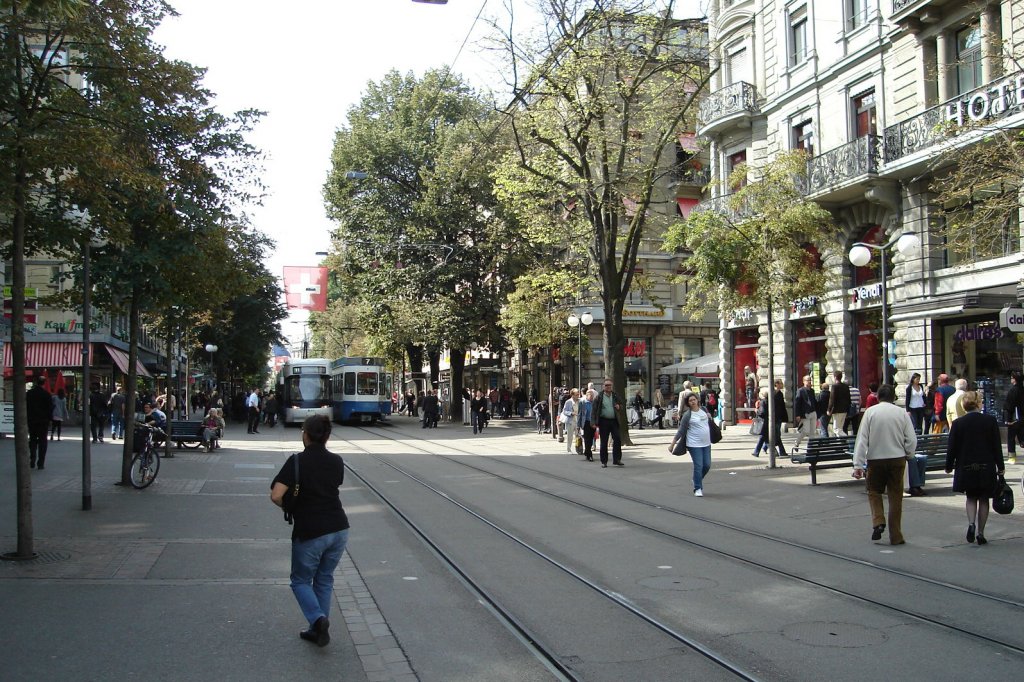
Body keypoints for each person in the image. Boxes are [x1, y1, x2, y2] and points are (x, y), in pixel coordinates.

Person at [270, 414, 349, 647]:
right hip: (339, 528)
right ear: (327, 436)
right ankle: (319, 630)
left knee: (300, 580)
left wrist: (291, 508)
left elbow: (276, 495)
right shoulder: (337, 461)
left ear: (305, 434)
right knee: (324, 579)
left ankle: (317, 619)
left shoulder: (297, 461)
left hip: (311, 530)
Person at [852, 384, 917, 545]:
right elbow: (911, 439)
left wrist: (858, 465)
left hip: (876, 459)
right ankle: (896, 535)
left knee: (874, 491)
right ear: (893, 397)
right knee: (895, 497)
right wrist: (909, 453)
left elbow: (862, 440)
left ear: (878, 397)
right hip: (897, 459)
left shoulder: (870, 412)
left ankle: (878, 521)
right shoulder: (901, 413)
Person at [945, 391, 1005, 545]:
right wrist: (1001, 466)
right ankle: (981, 533)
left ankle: (971, 523)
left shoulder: (958, 423)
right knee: (984, 499)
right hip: (986, 465)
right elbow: (996, 446)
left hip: (966, 465)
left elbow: (952, 446)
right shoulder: (990, 421)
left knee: (971, 497)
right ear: (979, 403)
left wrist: (948, 465)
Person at [669, 392, 713, 497]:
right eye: (690, 401)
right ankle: (698, 488)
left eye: (694, 399)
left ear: (697, 400)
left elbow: (709, 423)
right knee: (698, 465)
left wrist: (710, 417)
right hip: (694, 444)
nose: (693, 402)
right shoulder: (687, 415)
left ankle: (696, 479)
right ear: (688, 403)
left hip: (706, 443)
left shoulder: (704, 410)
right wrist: (672, 444)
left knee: (707, 465)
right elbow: (681, 431)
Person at [592, 378, 623, 467]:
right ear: (603, 386)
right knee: (604, 442)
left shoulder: (615, 395)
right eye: (606, 385)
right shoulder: (599, 396)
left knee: (617, 439)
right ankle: (604, 461)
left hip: (614, 421)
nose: (608, 387)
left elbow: (621, 405)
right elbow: (594, 410)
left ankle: (617, 459)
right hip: (603, 421)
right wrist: (593, 422)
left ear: (612, 386)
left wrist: (619, 406)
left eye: (610, 385)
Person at [27, 374, 51, 470]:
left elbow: (26, 407)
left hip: (32, 420)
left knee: (32, 440)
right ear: (44, 383)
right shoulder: (46, 395)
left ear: (36, 382)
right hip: (43, 421)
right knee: (42, 442)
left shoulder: (29, 394)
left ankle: (32, 458)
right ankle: (40, 463)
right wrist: (49, 420)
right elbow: (50, 409)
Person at [793, 375, 817, 452]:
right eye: (807, 380)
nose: (809, 381)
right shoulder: (800, 391)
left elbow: (814, 401)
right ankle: (797, 443)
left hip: (813, 412)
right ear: (803, 381)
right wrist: (798, 414)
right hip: (805, 413)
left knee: (812, 432)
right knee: (806, 430)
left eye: (810, 380)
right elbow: (797, 403)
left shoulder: (812, 391)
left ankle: (811, 448)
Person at [1004, 372, 1024, 462]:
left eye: (1012, 378)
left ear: (1015, 379)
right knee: (1021, 436)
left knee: (1011, 437)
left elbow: (1009, 406)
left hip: (1014, 418)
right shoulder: (1022, 389)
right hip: (1022, 417)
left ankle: (1012, 457)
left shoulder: (1013, 391)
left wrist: (1007, 419)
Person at [827, 370, 851, 437]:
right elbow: (849, 398)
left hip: (837, 410)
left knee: (836, 429)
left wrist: (829, 409)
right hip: (845, 409)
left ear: (835, 377)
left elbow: (832, 399)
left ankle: (846, 437)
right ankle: (841, 443)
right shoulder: (846, 386)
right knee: (840, 428)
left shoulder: (834, 386)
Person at [770, 379, 789, 457]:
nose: (782, 385)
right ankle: (781, 451)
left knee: (777, 434)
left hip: (779, 417)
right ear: (776, 384)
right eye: (781, 383)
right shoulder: (773, 393)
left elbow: (782, 407)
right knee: (777, 434)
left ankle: (766, 447)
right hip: (774, 417)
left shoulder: (780, 393)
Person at [751, 389, 770, 457]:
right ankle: (757, 451)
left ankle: (773, 452)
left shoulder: (763, 402)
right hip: (768, 421)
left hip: (763, 422)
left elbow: (762, 413)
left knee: (764, 438)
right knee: (763, 437)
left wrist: (757, 411)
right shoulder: (769, 401)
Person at [559, 388, 579, 453]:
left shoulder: (580, 401)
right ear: (572, 395)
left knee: (578, 436)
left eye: (578, 394)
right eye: (576, 394)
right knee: (570, 436)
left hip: (578, 421)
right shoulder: (568, 402)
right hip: (570, 421)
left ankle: (578, 449)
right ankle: (569, 449)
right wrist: (571, 413)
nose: (578, 396)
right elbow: (564, 411)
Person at [578, 389, 595, 461]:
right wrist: (578, 425)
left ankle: (587, 451)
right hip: (586, 422)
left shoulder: (594, 403)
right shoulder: (582, 402)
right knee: (587, 438)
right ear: (587, 396)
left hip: (593, 422)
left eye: (592, 396)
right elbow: (580, 414)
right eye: (590, 396)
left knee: (591, 438)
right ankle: (589, 454)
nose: (591, 397)